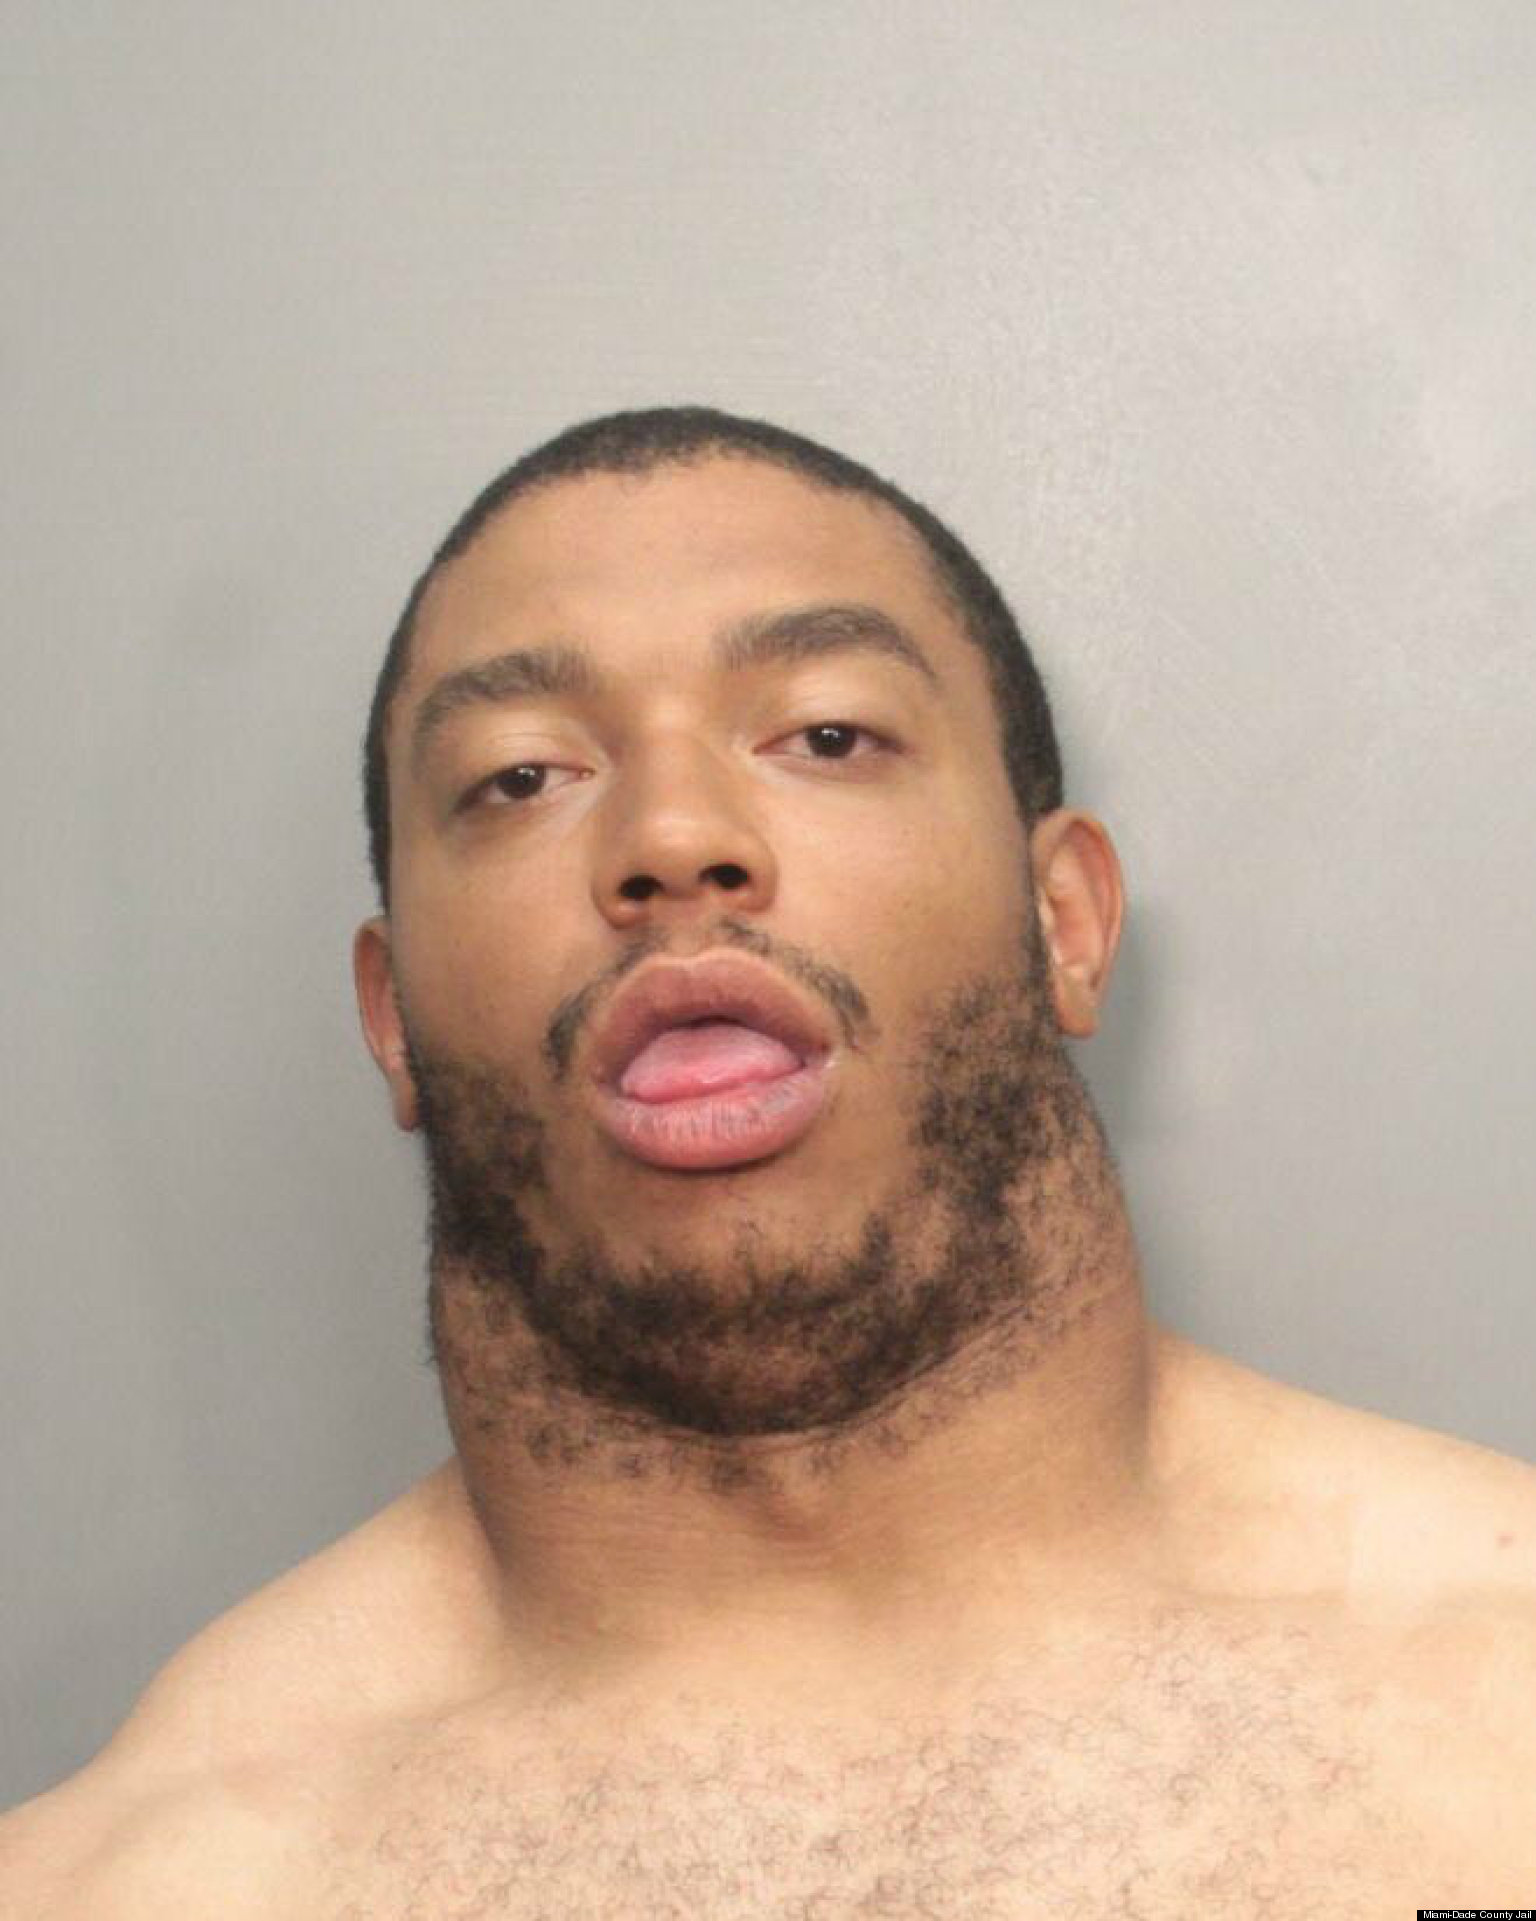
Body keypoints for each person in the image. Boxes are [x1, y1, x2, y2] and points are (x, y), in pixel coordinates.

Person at [5, 406, 1534, 1915]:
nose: (674, 837)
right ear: (393, 1013)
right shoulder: (132, 1884)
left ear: (1063, 920)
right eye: (522, 775)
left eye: (827, 734)